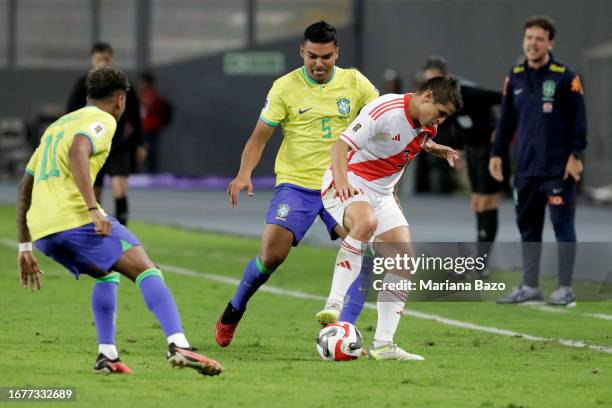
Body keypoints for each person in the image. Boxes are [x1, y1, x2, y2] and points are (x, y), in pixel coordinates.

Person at [17, 66, 223, 376]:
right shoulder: (101, 119)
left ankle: (107, 355)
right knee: (146, 268)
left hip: (45, 233)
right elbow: (79, 150)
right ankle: (178, 343)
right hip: (74, 220)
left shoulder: (58, 125)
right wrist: (93, 209)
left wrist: (24, 245)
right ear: (121, 100)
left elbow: (24, 189)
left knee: (106, 274)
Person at [214, 21, 379, 347]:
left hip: (340, 183)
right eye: (313, 56)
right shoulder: (284, 87)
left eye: (326, 57)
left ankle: (344, 332)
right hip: (296, 184)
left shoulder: (355, 82)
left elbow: (384, 118)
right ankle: (233, 311)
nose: (319, 64)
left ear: (337, 53)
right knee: (271, 256)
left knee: (363, 249)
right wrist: (245, 172)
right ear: (302, 52)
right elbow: (259, 138)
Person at [316, 76, 463, 360]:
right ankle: (333, 304)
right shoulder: (384, 109)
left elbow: (408, 143)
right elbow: (340, 148)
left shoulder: (427, 125)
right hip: (348, 179)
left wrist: (433, 148)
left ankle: (384, 345)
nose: (441, 122)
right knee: (365, 222)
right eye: (442, 113)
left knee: (405, 262)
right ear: (428, 97)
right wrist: (343, 182)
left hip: (381, 194)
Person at [489, 16, 587, 306]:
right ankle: (530, 286)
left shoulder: (566, 76)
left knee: (563, 227)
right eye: (529, 38)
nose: (533, 43)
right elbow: (506, 121)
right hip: (526, 170)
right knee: (528, 228)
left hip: (559, 170)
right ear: (524, 41)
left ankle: (565, 288)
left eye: (539, 39)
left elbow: (579, 122)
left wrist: (576, 155)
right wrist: (496, 152)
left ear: (550, 43)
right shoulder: (515, 76)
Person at [422, 56, 505, 278]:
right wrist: (457, 147)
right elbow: (453, 125)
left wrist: (503, 131)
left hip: (492, 149)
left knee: (488, 202)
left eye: (435, 79)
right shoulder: (439, 102)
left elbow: (504, 98)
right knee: (477, 202)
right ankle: (480, 262)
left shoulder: (466, 91)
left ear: (446, 77)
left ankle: (482, 265)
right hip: (475, 150)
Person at [67, 42, 144, 226]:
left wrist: (140, 143)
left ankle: (122, 236)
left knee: (120, 190)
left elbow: (135, 116)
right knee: (94, 194)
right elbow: (71, 114)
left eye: (106, 59)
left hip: (118, 146)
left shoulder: (123, 84)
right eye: (99, 59)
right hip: (93, 147)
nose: (103, 63)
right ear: (92, 61)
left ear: (112, 60)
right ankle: (96, 232)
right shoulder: (82, 84)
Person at [139, 71, 168, 173]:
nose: (141, 85)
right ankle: (148, 171)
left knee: (150, 152)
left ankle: (151, 172)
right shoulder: (145, 95)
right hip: (146, 128)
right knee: (146, 152)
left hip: (150, 129)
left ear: (148, 83)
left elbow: (148, 109)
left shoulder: (151, 95)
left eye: (143, 82)